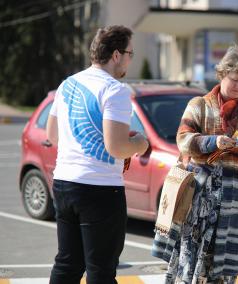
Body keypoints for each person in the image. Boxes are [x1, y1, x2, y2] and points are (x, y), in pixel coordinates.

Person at [152, 44, 238, 284]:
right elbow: (183, 140)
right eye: (234, 79)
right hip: (200, 197)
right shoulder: (199, 105)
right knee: (192, 255)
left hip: (235, 198)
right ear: (222, 75)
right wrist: (213, 141)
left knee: (224, 261)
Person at [46, 25, 149, 284]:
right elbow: (116, 147)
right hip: (100, 189)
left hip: (64, 183)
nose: (130, 59)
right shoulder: (115, 90)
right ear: (116, 55)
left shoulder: (67, 84)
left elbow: (52, 135)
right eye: (130, 53)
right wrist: (140, 144)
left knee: (67, 264)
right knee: (101, 271)